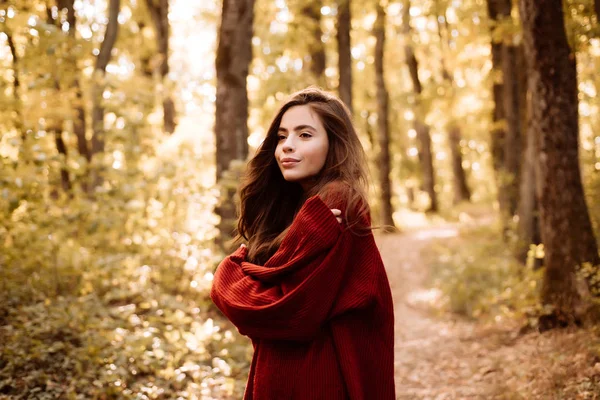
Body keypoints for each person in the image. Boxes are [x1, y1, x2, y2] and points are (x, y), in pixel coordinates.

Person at [210, 87, 395, 400]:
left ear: (333, 144)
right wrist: (234, 271)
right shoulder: (295, 207)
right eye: (282, 137)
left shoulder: (337, 201)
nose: (287, 147)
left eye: (305, 135)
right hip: (287, 374)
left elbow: (284, 309)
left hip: (320, 379)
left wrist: (230, 270)